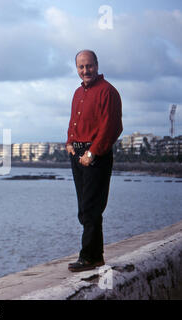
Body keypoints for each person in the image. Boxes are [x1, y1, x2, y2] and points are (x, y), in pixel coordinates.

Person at [66, 50, 123, 272]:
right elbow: (74, 122)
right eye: (81, 67)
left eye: (89, 66)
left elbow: (112, 127)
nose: (85, 71)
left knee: (91, 207)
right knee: (85, 208)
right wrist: (69, 143)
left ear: (97, 65)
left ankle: (88, 257)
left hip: (95, 155)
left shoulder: (107, 91)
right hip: (77, 153)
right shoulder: (77, 93)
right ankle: (96, 256)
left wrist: (93, 153)